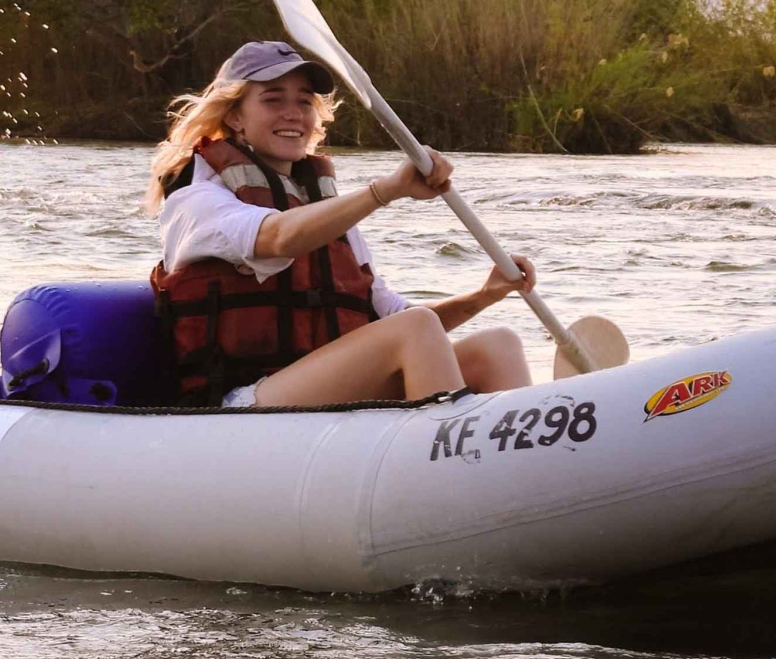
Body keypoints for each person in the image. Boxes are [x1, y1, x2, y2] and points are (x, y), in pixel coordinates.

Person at [147, 41, 535, 408]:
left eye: (304, 101)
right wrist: (386, 190)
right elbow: (279, 237)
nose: (293, 113)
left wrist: (485, 295)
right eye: (273, 99)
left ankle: (523, 465)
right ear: (234, 116)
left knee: (496, 345)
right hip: (243, 404)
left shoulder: (324, 211)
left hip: (320, 394)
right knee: (415, 328)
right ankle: (448, 457)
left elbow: (398, 318)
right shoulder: (196, 201)